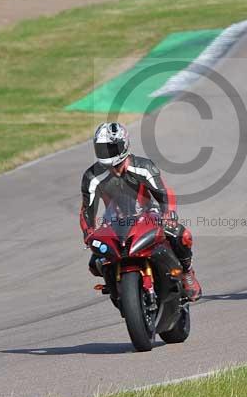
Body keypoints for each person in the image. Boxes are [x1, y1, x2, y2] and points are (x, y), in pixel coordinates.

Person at [80, 122, 201, 301]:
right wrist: (88, 232)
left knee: (180, 235)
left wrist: (168, 214)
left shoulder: (143, 166)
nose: (106, 153)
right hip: (114, 221)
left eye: (110, 147)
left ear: (123, 145)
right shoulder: (92, 176)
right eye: (102, 148)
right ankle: (116, 286)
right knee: (95, 261)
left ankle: (186, 272)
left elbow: (163, 192)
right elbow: (87, 209)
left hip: (148, 215)